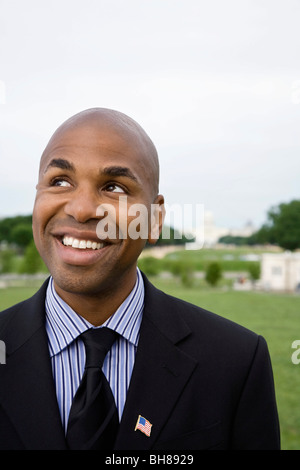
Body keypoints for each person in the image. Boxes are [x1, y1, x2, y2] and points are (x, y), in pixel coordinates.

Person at [0, 108, 280, 450]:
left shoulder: (236, 361)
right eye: (60, 181)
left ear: (155, 219)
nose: (83, 209)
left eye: (114, 187)